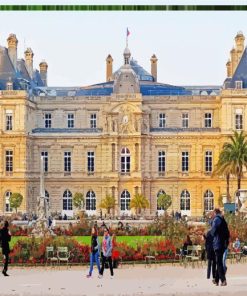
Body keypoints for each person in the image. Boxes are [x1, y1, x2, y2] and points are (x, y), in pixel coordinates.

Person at [210, 208, 229, 286]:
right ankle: (216, 280)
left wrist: (211, 232)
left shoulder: (216, 219)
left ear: (215, 213)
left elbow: (213, 231)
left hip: (218, 243)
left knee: (219, 262)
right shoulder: (223, 220)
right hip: (223, 243)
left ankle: (223, 280)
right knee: (219, 261)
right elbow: (228, 233)